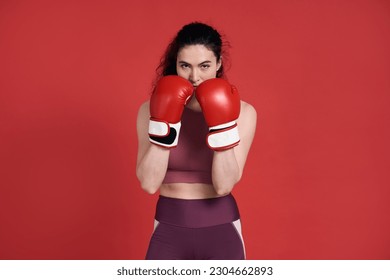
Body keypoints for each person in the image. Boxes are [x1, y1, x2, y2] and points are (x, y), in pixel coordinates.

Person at [136, 22, 257, 260]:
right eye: (185, 66)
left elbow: (224, 186)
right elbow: (149, 184)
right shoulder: (148, 110)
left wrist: (221, 122)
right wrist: (165, 119)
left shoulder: (243, 112)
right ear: (176, 65)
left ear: (218, 63)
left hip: (221, 228)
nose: (194, 77)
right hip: (169, 226)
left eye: (204, 66)